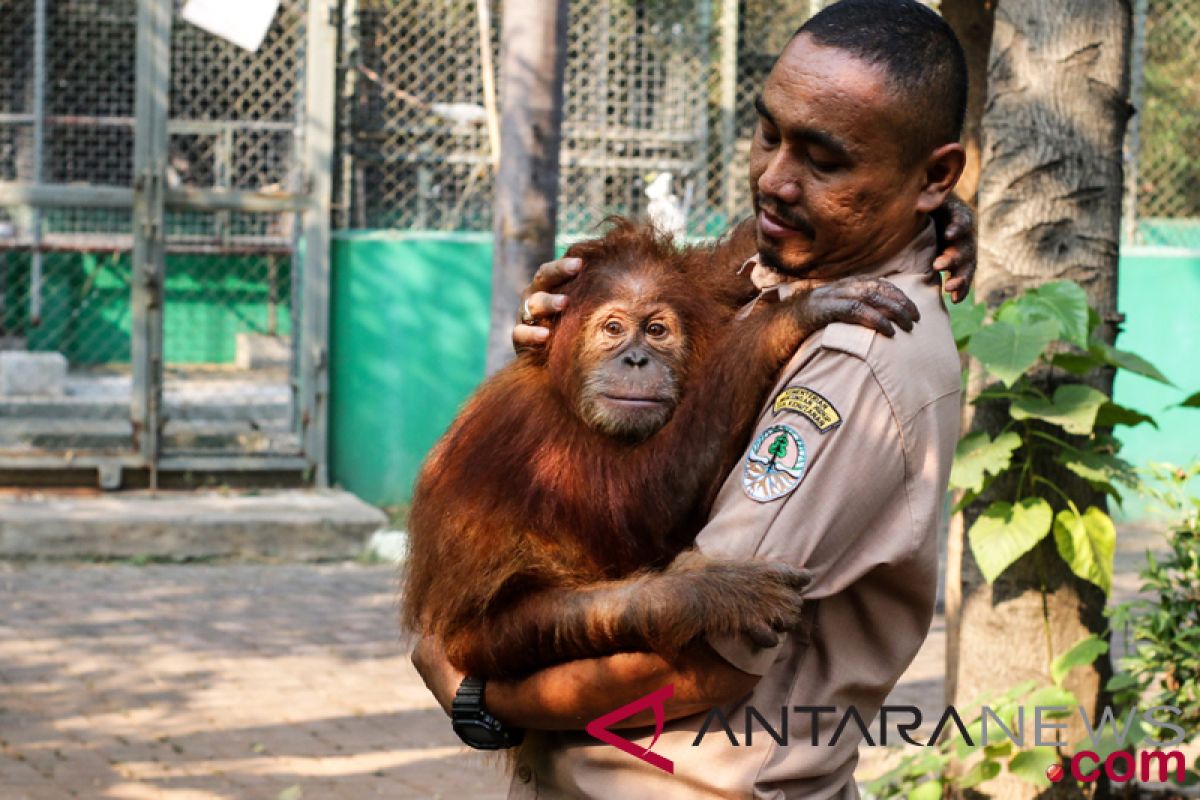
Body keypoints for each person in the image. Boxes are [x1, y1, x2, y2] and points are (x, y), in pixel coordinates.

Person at [415, 1, 970, 796]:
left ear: (933, 176)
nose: (774, 179)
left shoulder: (858, 350)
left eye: (826, 159)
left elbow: (706, 661)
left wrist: (477, 696)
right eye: (769, 133)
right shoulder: (785, 268)